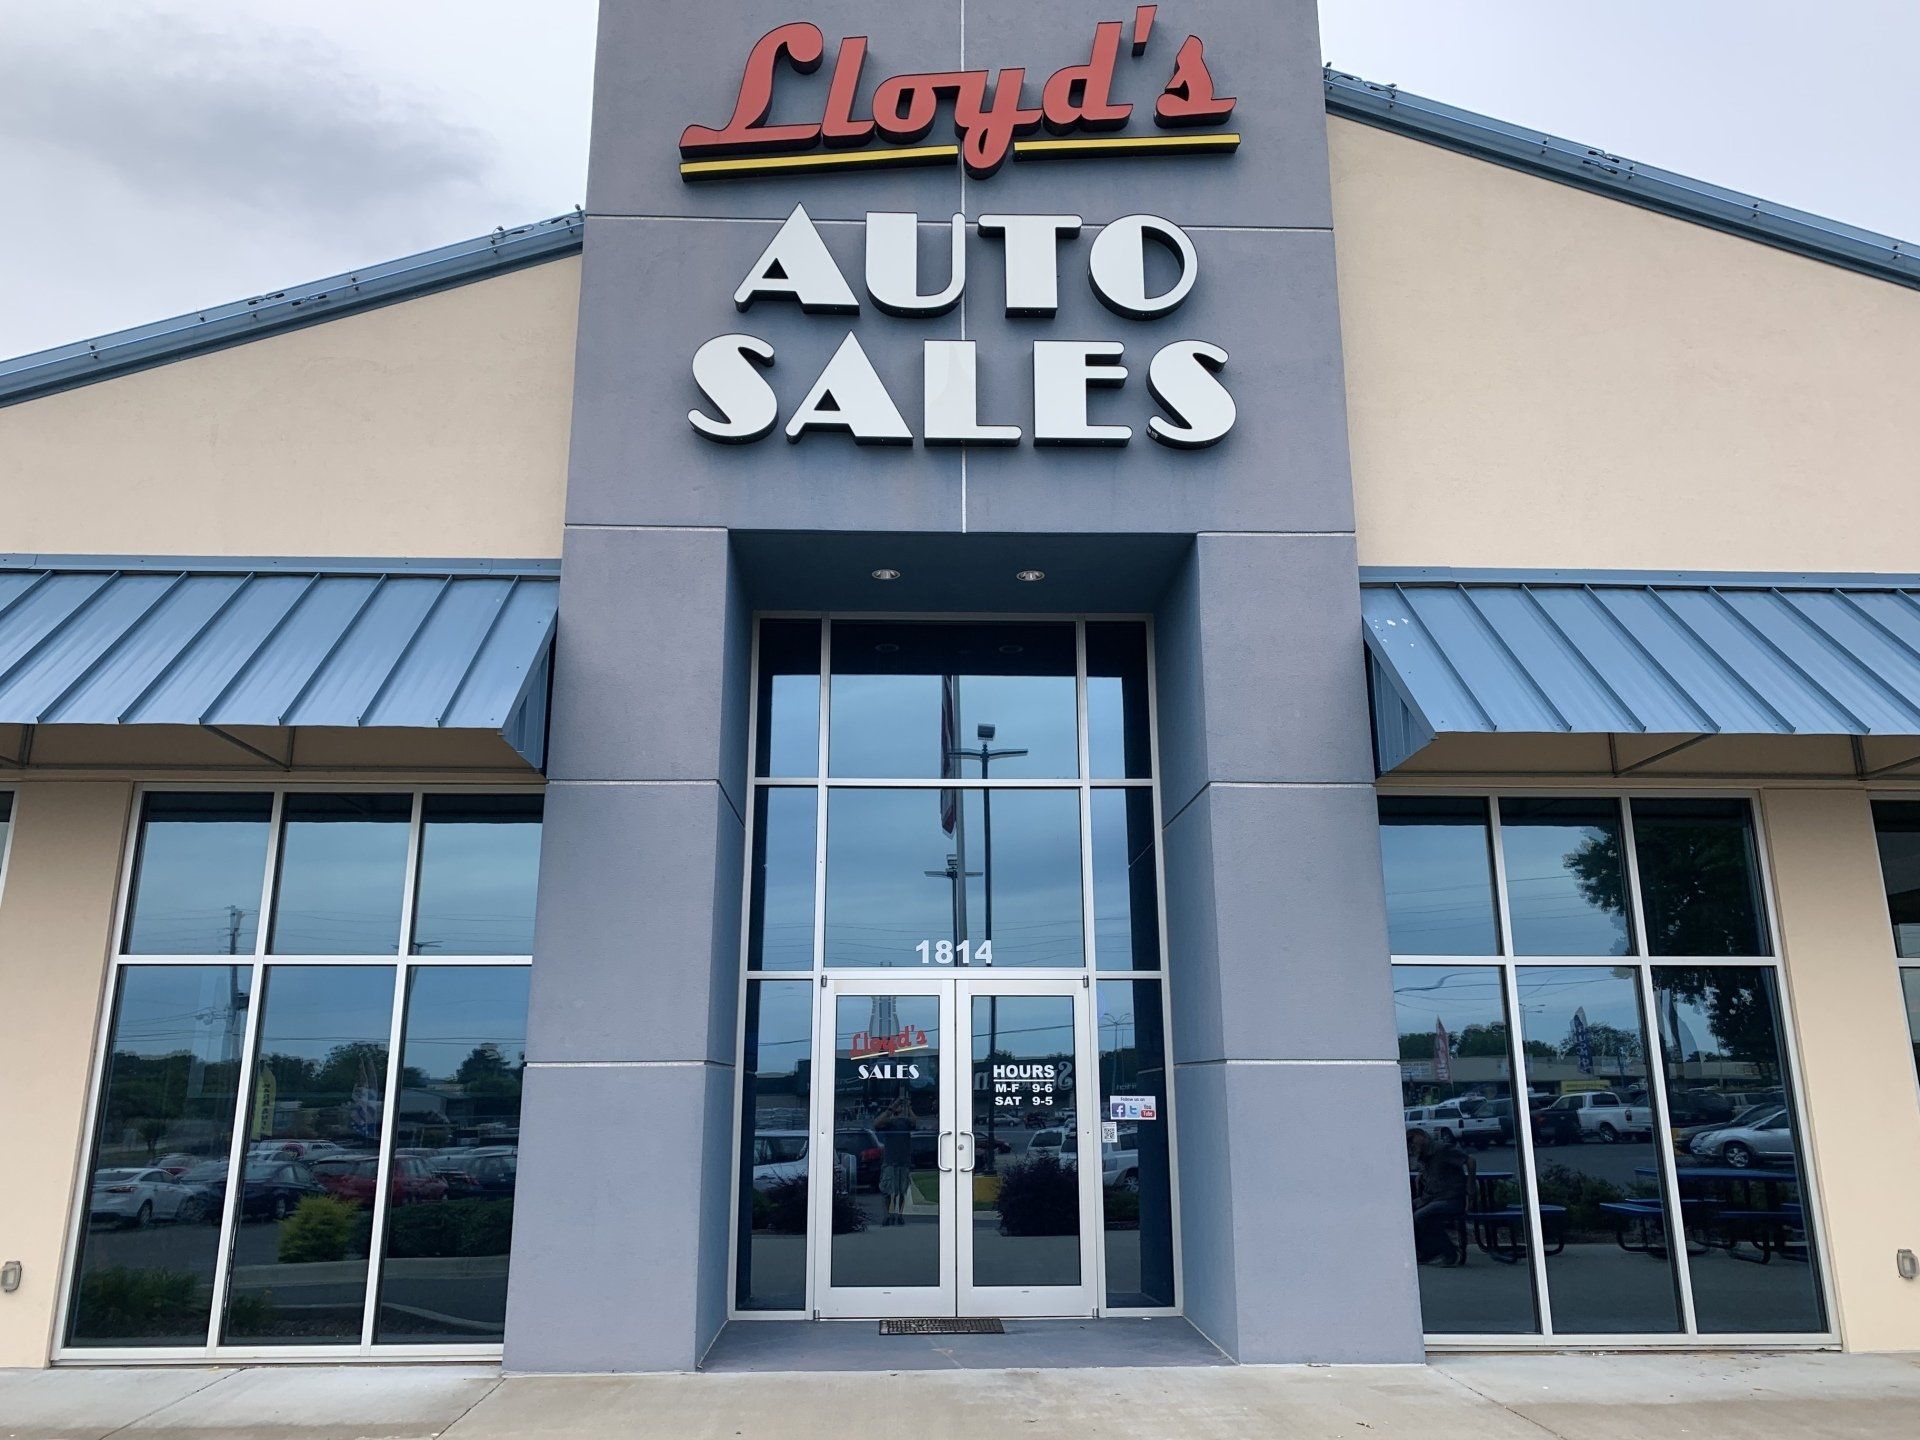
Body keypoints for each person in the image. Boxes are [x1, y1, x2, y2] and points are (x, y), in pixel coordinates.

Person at [1409, 1128, 1472, 1265]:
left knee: (1421, 1216)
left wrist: (1470, 1186)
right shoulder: (1425, 1158)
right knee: (1406, 1210)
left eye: (1412, 1140)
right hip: (1432, 1198)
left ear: (1422, 1136)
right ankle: (1426, 1250)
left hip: (1451, 1198)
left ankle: (1449, 1252)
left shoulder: (1443, 1150)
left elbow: (1470, 1161)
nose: (1411, 1145)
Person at [875, 1095, 915, 1227]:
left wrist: (908, 1107)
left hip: (903, 1161)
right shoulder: (889, 1122)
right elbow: (877, 1123)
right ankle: (888, 1215)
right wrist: (891, 1108)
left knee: (902, 1191)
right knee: (887, 1191)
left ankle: (899, 1215)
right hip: (890, 1161)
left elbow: (914, 1122)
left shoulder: (906, 1122)